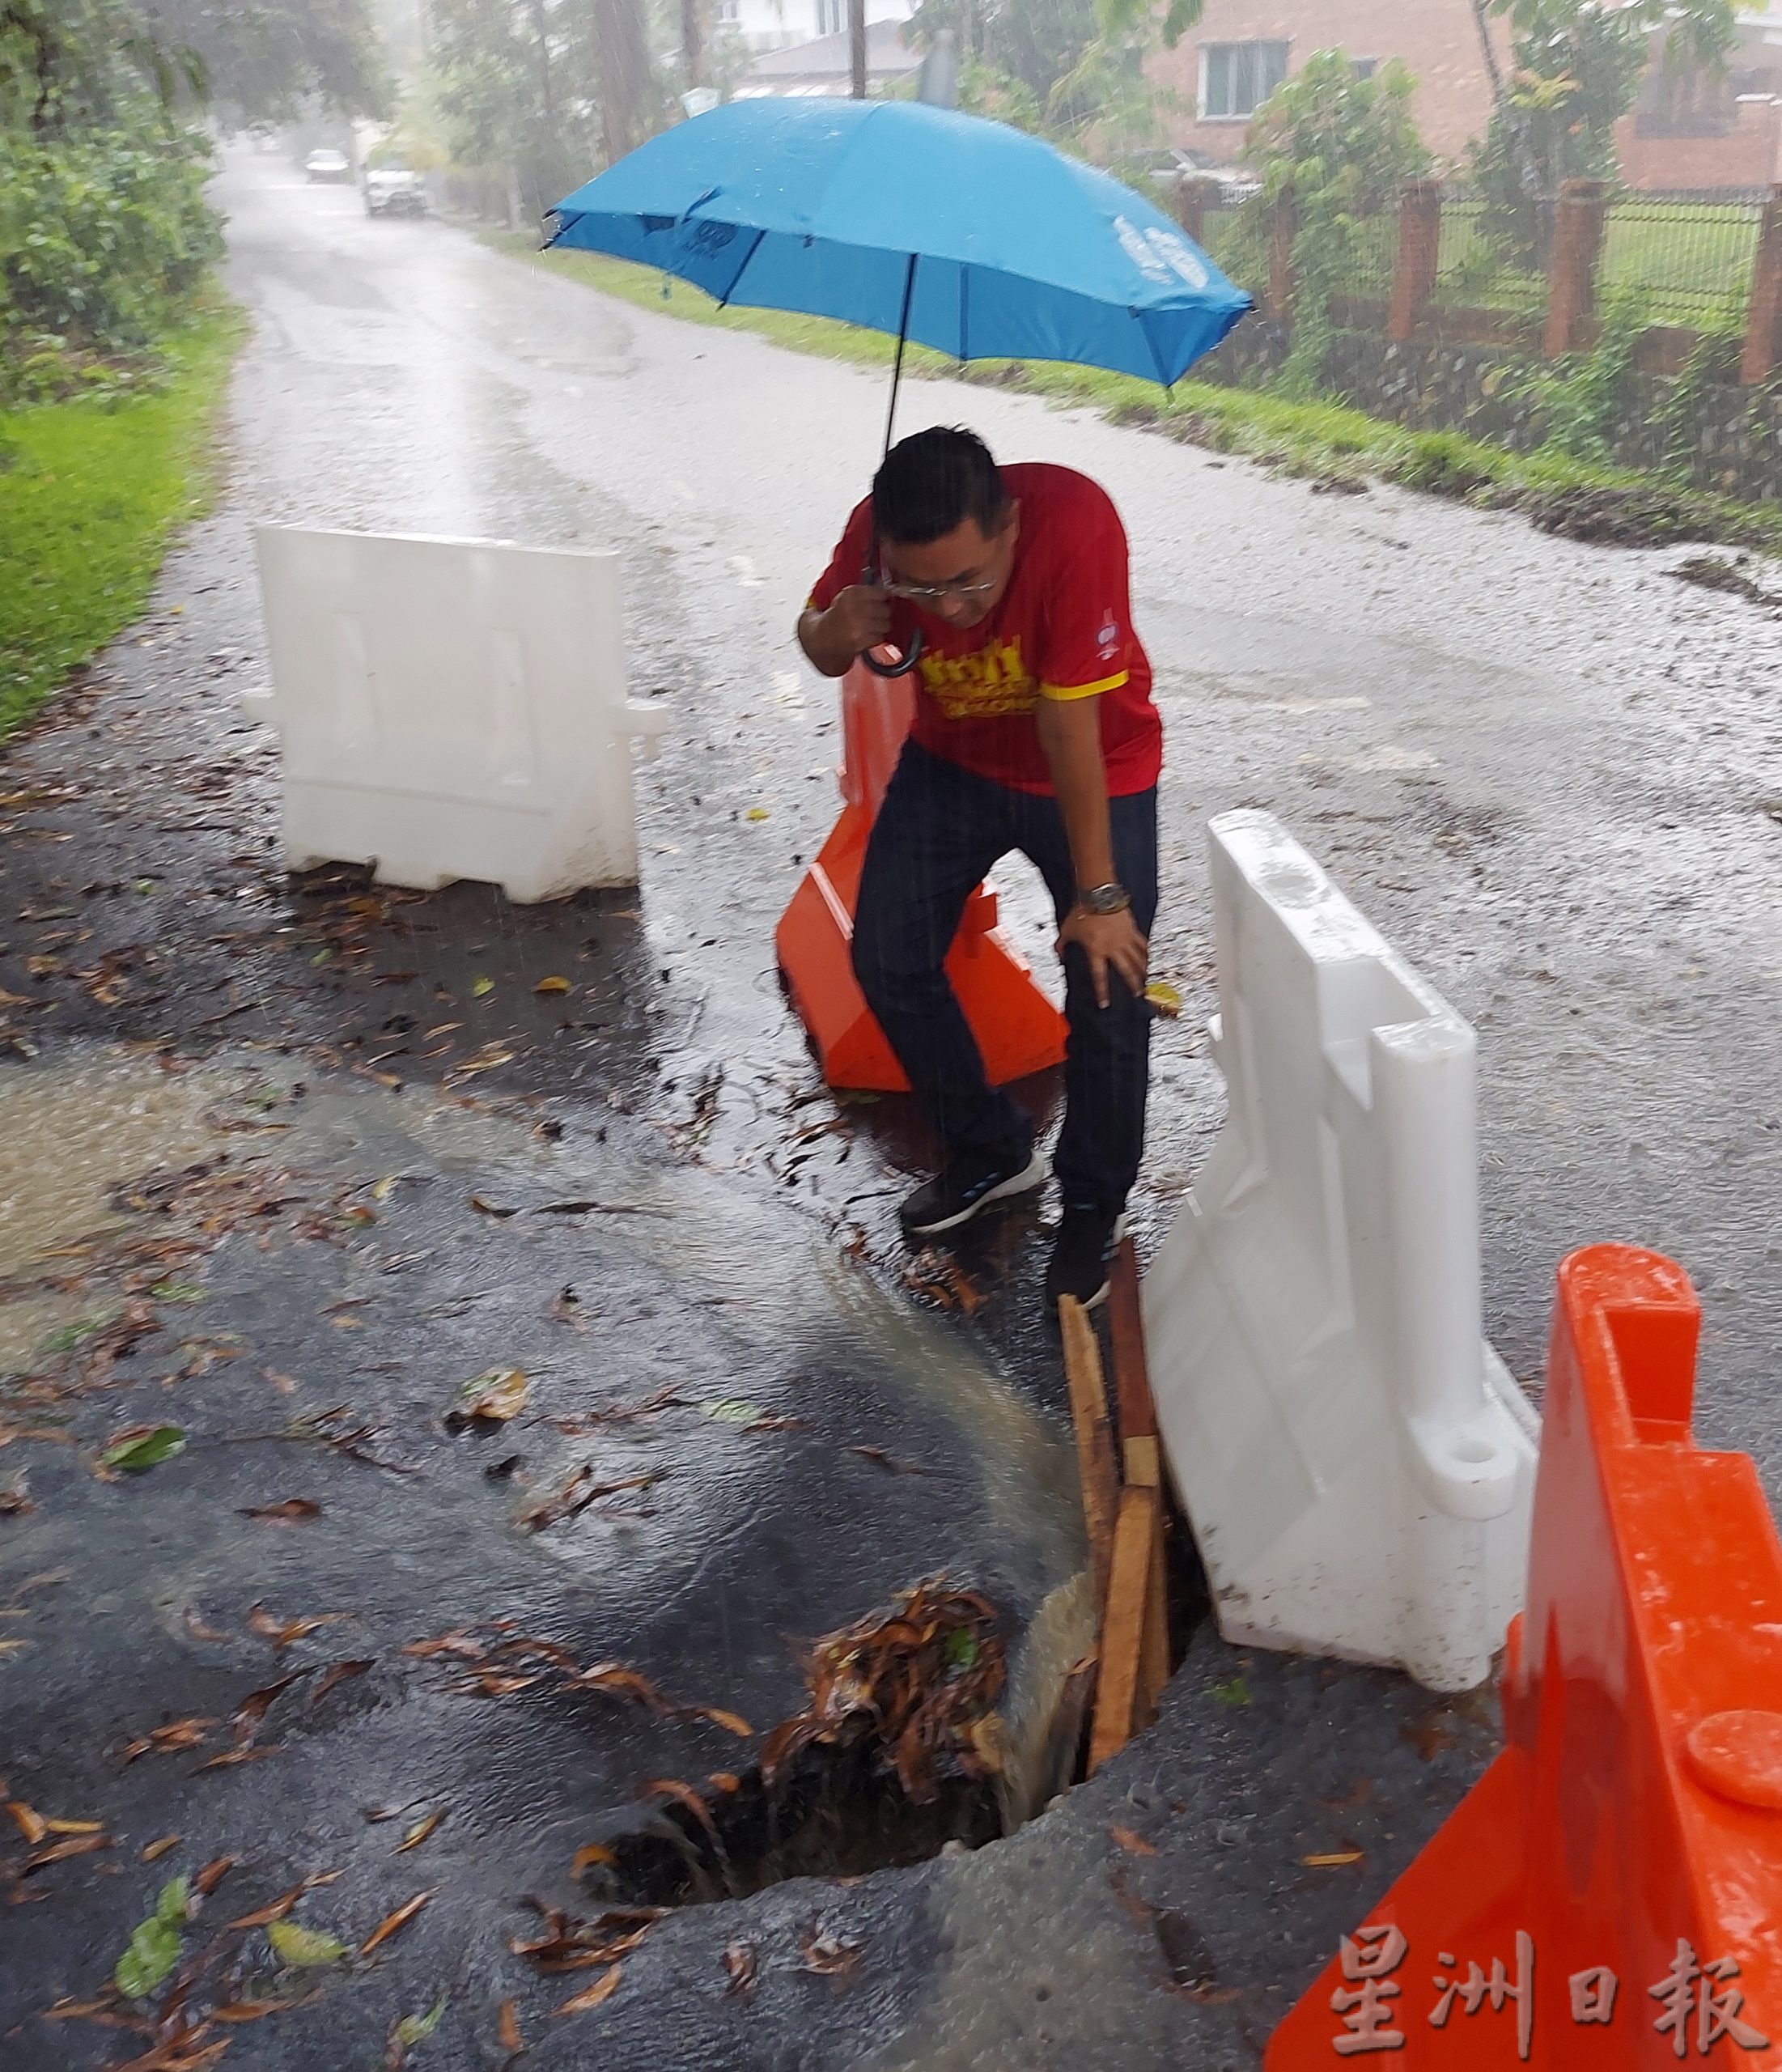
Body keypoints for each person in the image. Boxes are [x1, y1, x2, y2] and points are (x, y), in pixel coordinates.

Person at [798, 427, 1160, 1312]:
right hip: (954, 762)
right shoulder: (873, 533)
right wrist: (834, 626)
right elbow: (817, 641)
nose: (949, 605)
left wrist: (1101, 897)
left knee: (1106, 985)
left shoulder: (1076, 523)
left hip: (1092, 766)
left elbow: (1068, 727)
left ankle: (1091, 1204)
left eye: (968, 580)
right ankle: (991, 1148)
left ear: (1008, 526)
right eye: (922, 584)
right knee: (885, 952)